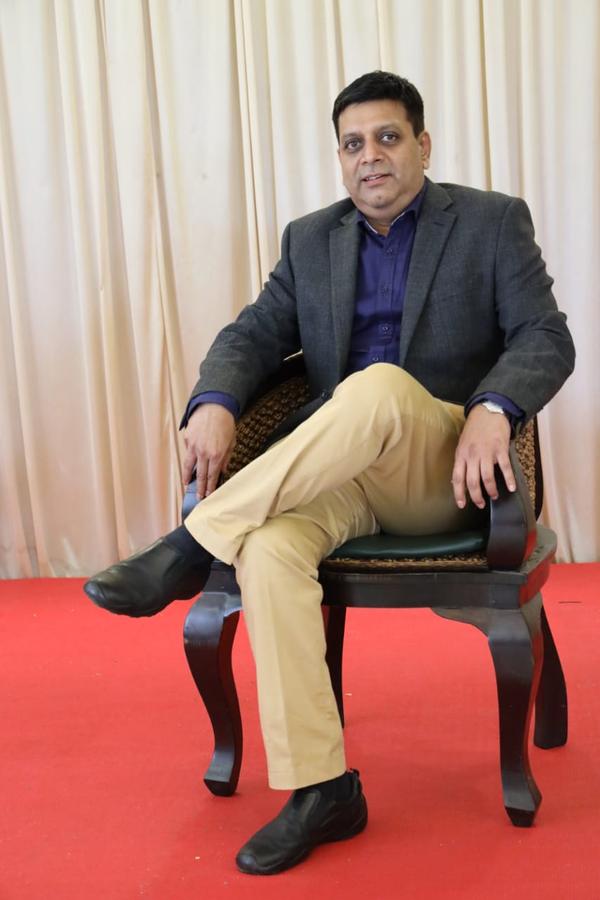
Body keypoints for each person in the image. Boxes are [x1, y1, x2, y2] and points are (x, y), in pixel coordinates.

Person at [84, 71, 575, 875]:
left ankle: (191, 543)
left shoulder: (490, 222)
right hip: (336, 475)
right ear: (339, 159)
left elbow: (546, 335)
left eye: (387, 137)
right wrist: (214, 401)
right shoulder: (310, 240)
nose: (369, 156)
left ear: (422, 144)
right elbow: (252, 334)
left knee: (377, 387)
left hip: (443, 470)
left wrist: (493, 406)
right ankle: (323, 789)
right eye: (353, 144)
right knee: (269, 547)